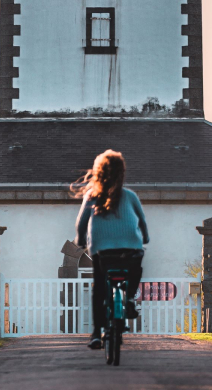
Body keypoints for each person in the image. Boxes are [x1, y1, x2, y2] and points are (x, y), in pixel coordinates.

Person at [73, 149, 149, 350]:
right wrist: (145, 239)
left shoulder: (92, 196)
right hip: (130, 248)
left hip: (102, 251)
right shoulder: (130, 195)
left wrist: (80, 241)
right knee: (135, 269)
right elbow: (142, 221)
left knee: (99, 289)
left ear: (99, 173)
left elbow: (81, 223)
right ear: (121, 173)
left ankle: (97, 333)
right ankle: (130, 297)